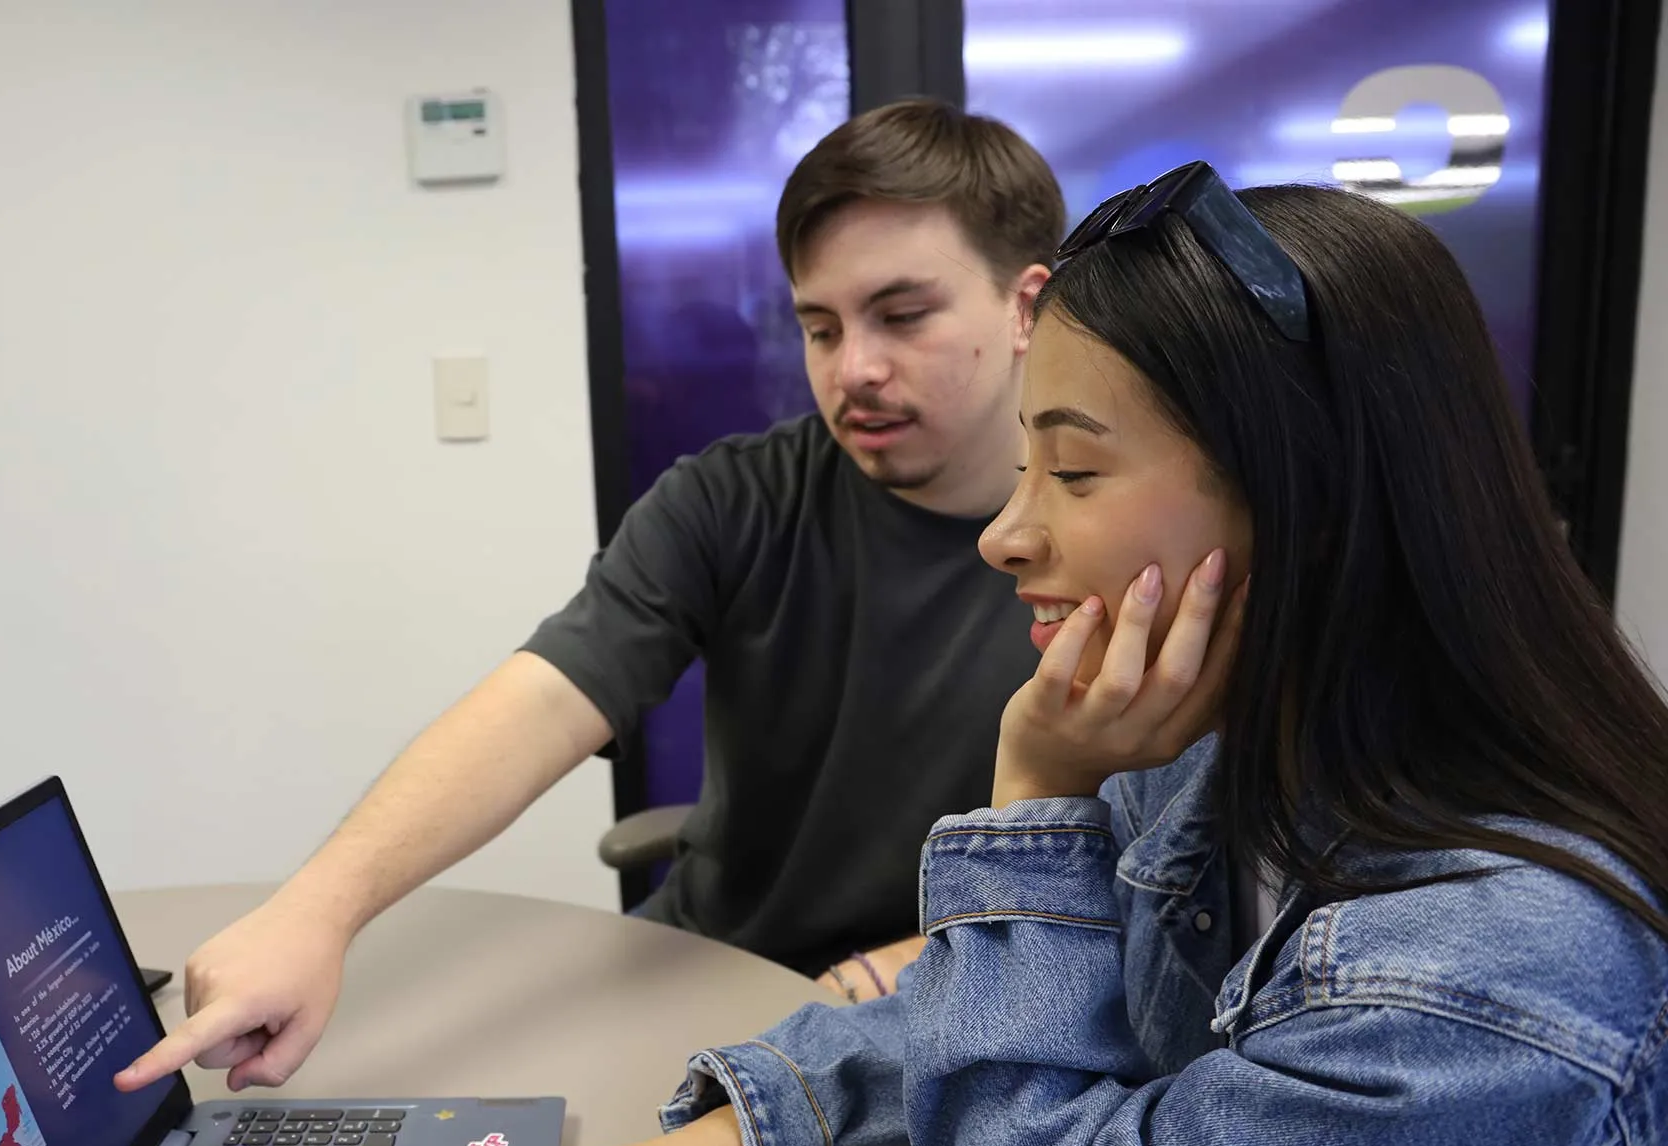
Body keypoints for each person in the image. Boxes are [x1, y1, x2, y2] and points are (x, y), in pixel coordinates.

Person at [544, 166, 1668, 1146]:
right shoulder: (1235, 769)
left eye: (1073, 474)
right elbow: (1046, 1010)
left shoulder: (1491, 972)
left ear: (1310, 506)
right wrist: (745, 1129)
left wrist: (1038, 799)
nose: (1006, 533)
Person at [114, 100, 1065, 1095]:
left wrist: (909, 969)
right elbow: (542, 699)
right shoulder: (734, 499)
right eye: (820, 328)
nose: (853, 369)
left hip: (946, 1012)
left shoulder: (1119, 545)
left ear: (1025, 308)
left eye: (903, 316)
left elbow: (1153, 867)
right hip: (707, 971)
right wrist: (315, 909)